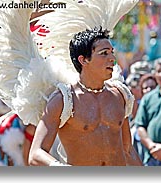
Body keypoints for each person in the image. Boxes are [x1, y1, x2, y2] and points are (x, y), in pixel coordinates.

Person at [28, 27, 143, 166]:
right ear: (83, 60)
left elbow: (128, 149)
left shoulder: (120, 95)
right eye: (104, 53)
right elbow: (35, 154)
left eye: (112, 52)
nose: (112, 58)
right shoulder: (63, 100)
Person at [134, 58, 161, 166]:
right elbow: (140, 126)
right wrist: (152, 146)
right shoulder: (148, 98)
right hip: (151, 157)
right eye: (158, 71)